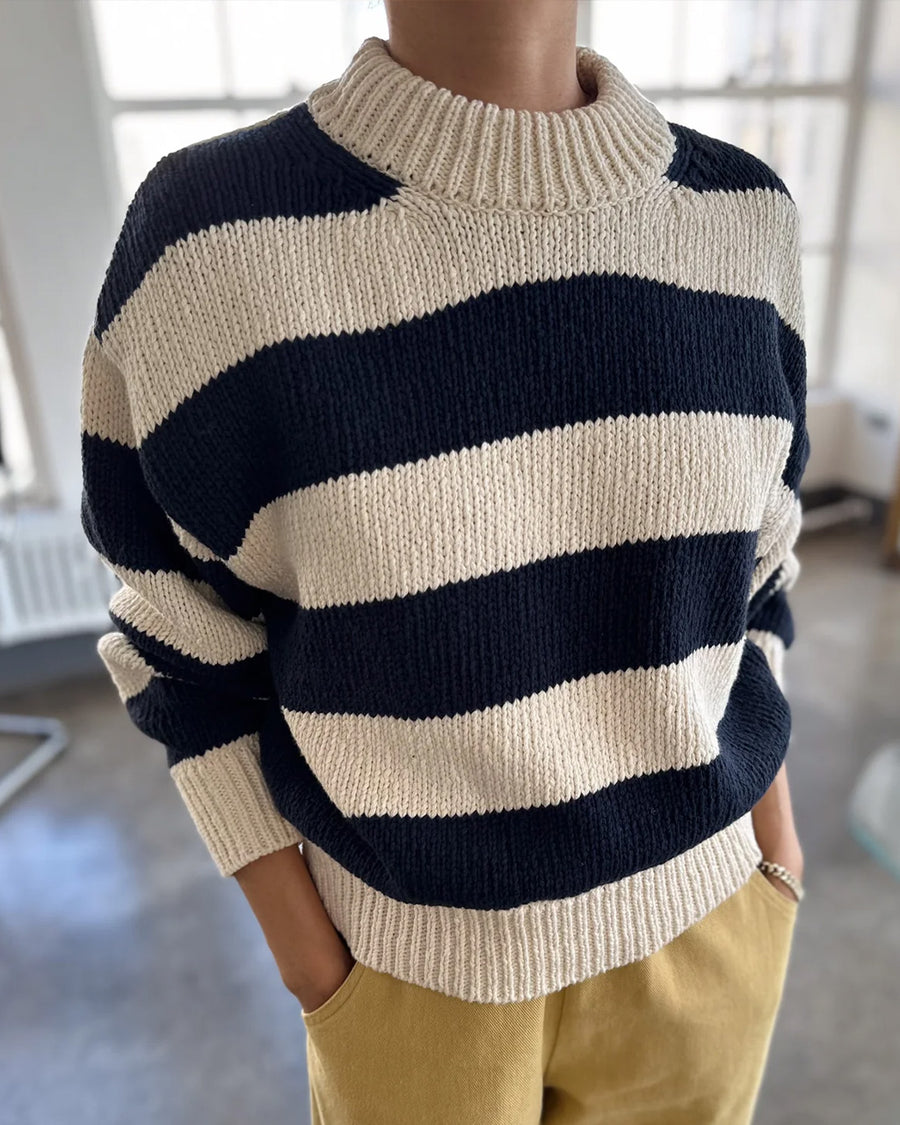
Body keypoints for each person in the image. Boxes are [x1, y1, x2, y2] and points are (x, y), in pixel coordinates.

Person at [79, 1, 809, 1121]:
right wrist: (312, 963)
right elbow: (178, 636)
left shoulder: (742, 214)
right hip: (413, 984)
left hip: (709, 941)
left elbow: (759, 569)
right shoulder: (210, 240)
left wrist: (775, 854)